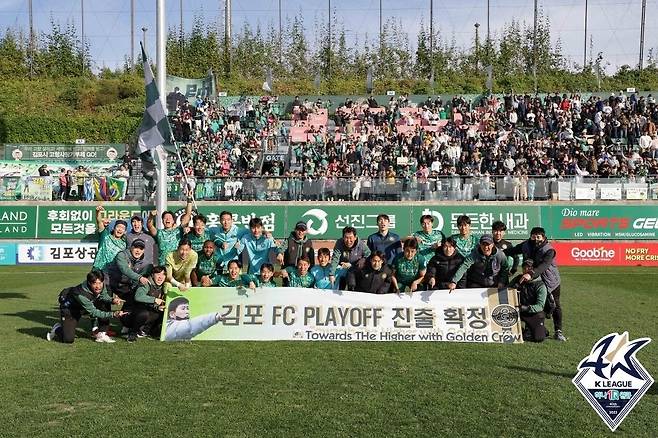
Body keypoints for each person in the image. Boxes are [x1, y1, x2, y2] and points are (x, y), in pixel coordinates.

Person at [505, 227, 566, 342]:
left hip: (550, 281)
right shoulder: (526, 245)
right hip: (534, 281)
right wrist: (498, 252)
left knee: (554, 305)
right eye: (534, 236)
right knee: (531, 302)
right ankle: (536, 326)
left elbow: (544, 265)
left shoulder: (549, 250)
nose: (536, 239)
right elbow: (512, 251)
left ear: (543, 237)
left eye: (538, 236)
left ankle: (558, 331)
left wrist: (531, 274)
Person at [47, 270, 129, 344]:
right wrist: (113, 314)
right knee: (68, 339)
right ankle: (57, 328)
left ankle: (101, 333)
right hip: (70, 310)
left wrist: (112, 300)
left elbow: (104, 297)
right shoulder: (81, 294)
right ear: (89, 283)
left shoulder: (102, 285)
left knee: (103, 302)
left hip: (85, 307)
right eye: (95, 283)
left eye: (100, 283)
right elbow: (94, 312)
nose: (98, 286)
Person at [122, 265, 168, 342]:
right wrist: (154, 300)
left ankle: (146, 331)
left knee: (160, 312)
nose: (161, 277)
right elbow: (138, 297)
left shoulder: (161, 287)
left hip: (142, 312)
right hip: (128, 314)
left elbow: (150, 304)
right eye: (158, 274)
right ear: (152, 275)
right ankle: (132, 333)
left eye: (163, 274)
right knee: (143, 313)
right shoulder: (145, 283)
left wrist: (157, 307)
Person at [104, 239, 153, 305]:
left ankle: (125, 314)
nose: (138, 250)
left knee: (133, 302)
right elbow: (125, 269)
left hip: (123, 285)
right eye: (136, 248)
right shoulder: (121, 255)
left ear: (143, 250)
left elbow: (140, 278)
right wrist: (139, 278)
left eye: (141, 249)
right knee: (105, 305)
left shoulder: (145, 264)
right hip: (109, 282)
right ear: (131, 248)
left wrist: (134, 286)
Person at [147, 198, 193, 266]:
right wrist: (151, 216)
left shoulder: (178, 230)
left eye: (170, 218)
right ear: (162, 221)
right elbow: (149, 226)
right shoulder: (159, 233)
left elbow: (188, 215)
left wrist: (189, 200)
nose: (167, 219)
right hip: (163, 266)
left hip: (176, 266)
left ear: (173, 221)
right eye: (165, 218)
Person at [511, 260, 548, 343]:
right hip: (517, 310)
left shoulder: (540, 285)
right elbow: (506, 291)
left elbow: (540, 306)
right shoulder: (518, 278)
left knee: (539, 338)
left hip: (533, 313)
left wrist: (526, 308)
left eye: (529, 268)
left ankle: (541, 329)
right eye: (524, 268)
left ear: (534, 270)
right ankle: (524, 329)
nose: (526, 270)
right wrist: (514, 287)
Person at [91, 205, 127, 272]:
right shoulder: (105, 236)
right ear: (114, 228)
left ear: (125, 232)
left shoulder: (124, 244)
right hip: (98, 269)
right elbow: (99, 222)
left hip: (112, 273)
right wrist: (98, 212)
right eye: (118, 227)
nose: (120, 229)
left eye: (123, 228)